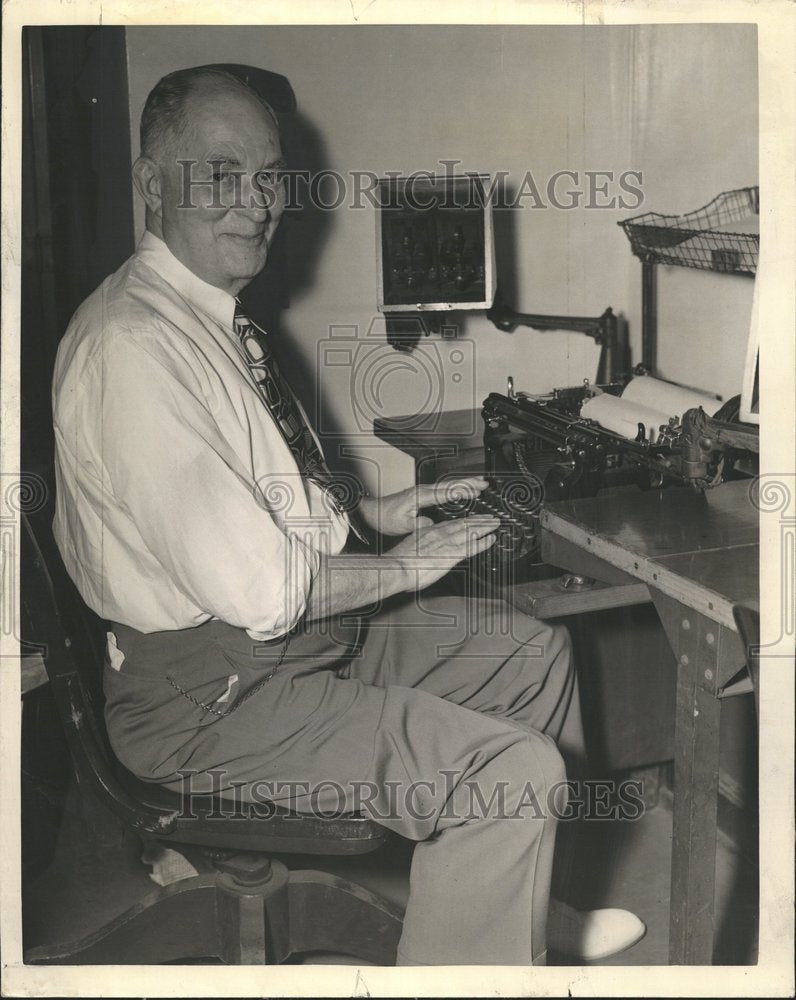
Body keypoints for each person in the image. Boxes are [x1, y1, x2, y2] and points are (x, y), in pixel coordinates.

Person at [52, 65, 644, 966]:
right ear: (151, 183)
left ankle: (526, 907)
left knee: (533, 655)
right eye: (222, 175)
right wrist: (411, 564)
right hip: (205, 698)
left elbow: (253, 510)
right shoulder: (133, 348)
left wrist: (379, 513)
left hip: (276, 644)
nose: (257, 202)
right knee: (507, 768)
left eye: (269, 177)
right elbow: (265, 585)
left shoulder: (204, 316)